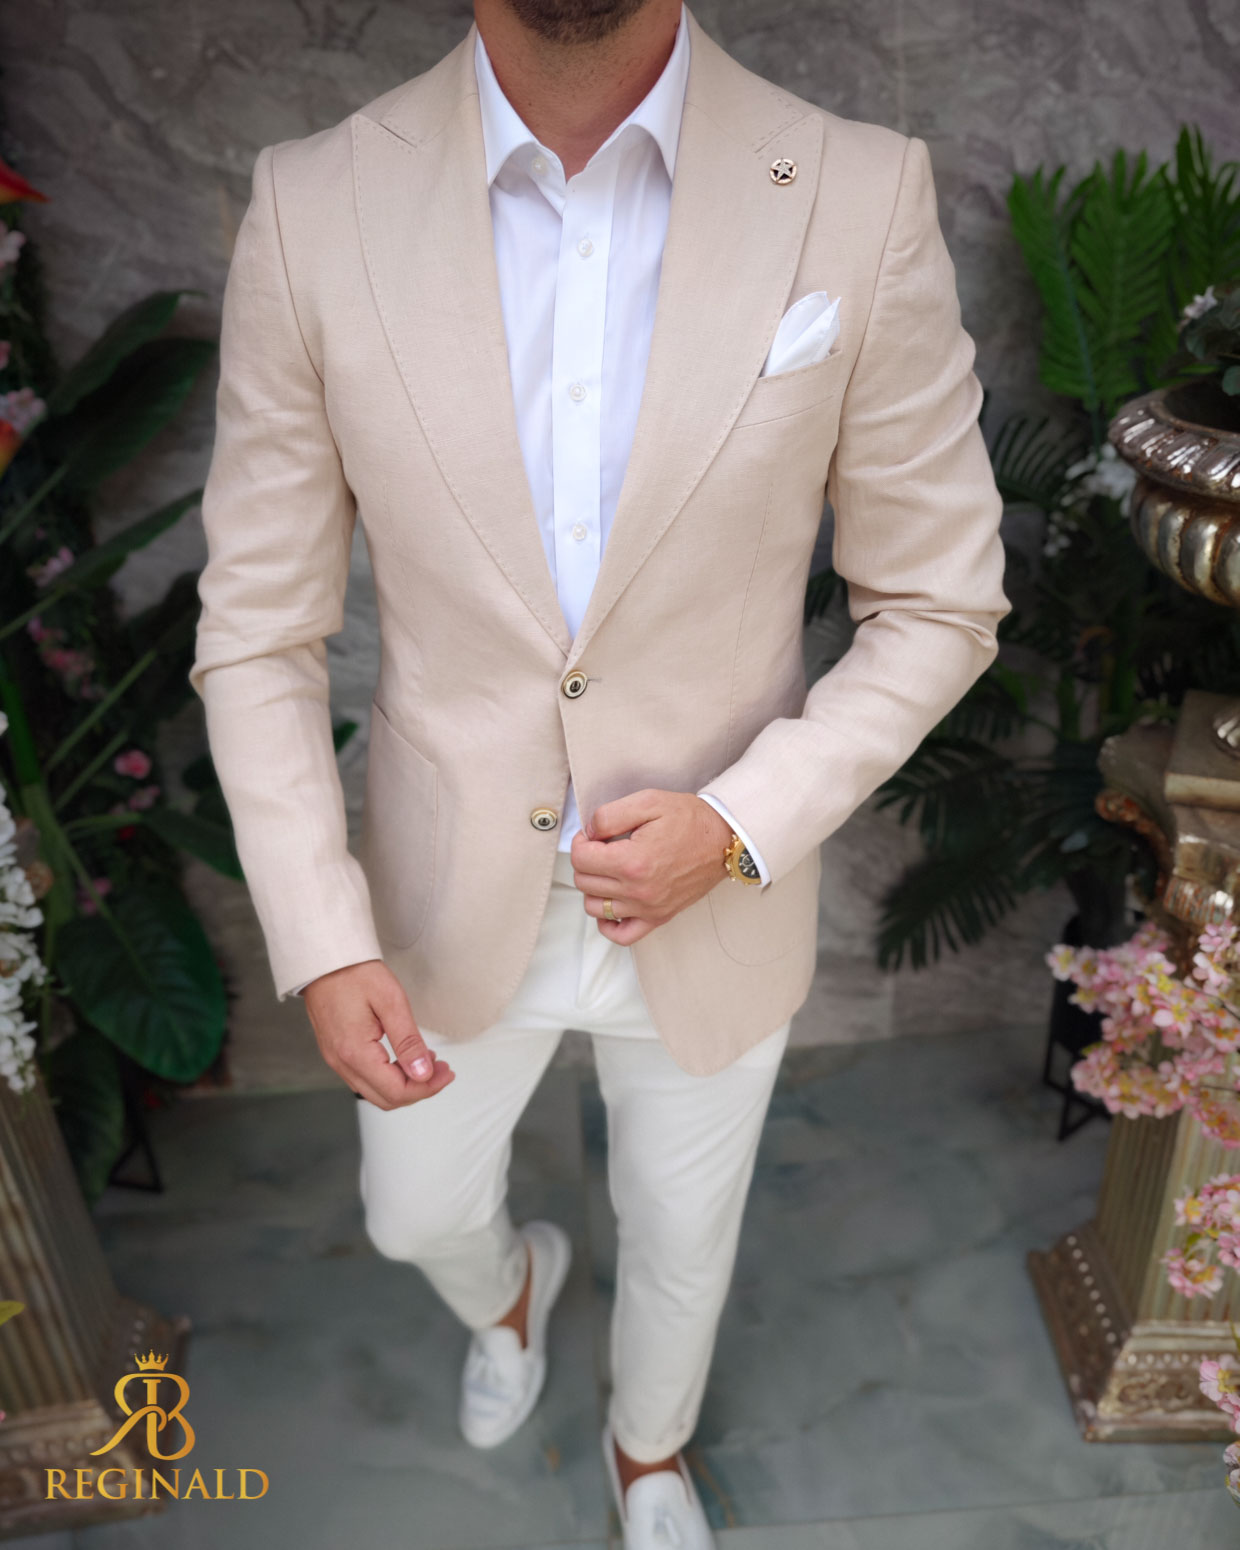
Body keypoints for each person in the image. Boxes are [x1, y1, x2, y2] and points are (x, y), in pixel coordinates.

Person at [190, 0, 1009, 1543]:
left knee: (686, 1230)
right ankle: (511, 1292)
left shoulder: (855, 189)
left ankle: (650, 1453)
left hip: (719, 891)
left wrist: (742, 821)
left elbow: (943, 600)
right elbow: (256, 631)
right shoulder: (312, 205)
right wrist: (320, 928)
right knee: (412, 1211)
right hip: (438, 893)